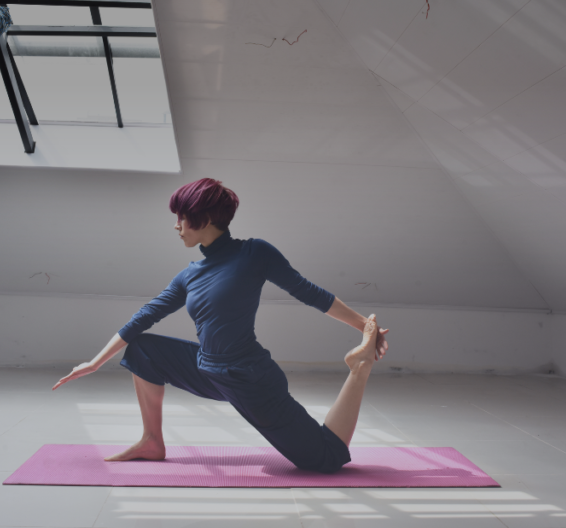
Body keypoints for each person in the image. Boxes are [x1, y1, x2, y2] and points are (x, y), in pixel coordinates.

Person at [51, 178, 390, 474]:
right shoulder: (189, 275)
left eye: (182, 218)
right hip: (209, 371)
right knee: (142, 350)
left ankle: (359, 367)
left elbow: (307, 291)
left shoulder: (254, 253)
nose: (177, 225)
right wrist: (95, 362)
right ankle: (151, 442)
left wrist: (365, 328)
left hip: (250, 378)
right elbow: (145, 316)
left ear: (207, 218)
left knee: (325, 459)